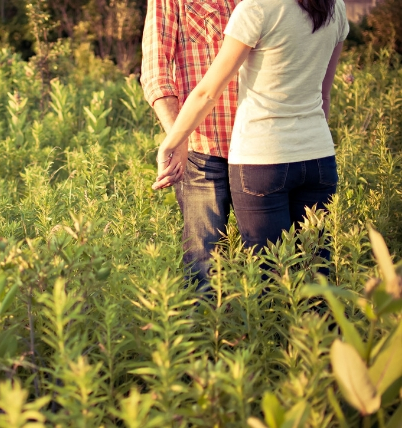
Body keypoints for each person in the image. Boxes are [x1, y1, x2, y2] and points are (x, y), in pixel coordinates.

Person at [153, 0, 348, 263]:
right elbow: (324, 96)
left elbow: (207, 92)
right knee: (315, 268)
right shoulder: (336, 8)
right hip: (319, 157)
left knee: (270, 273)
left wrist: (171, 142)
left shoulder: (256, 9)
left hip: (262, 159)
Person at [141, 0, 239, 288]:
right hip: (201, 152)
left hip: (259, 151)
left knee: (268, 261)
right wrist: (178, 137)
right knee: (203, 270)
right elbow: (155, 72)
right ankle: (207, 331)